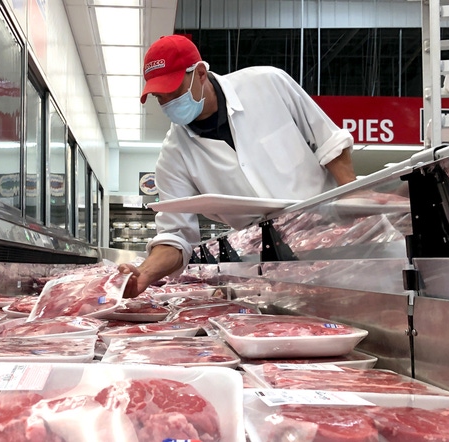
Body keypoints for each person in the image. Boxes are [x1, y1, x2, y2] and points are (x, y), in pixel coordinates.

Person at [119, 34, 357, 297]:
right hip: (270, 264)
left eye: (174, 92)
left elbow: (329, 142)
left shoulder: (267, 84)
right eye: (159, 98)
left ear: (200, 73)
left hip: (336, 236)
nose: (168, 104)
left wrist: (354, 200)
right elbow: (176, 236)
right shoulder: (174, 155)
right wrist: (145, 273)